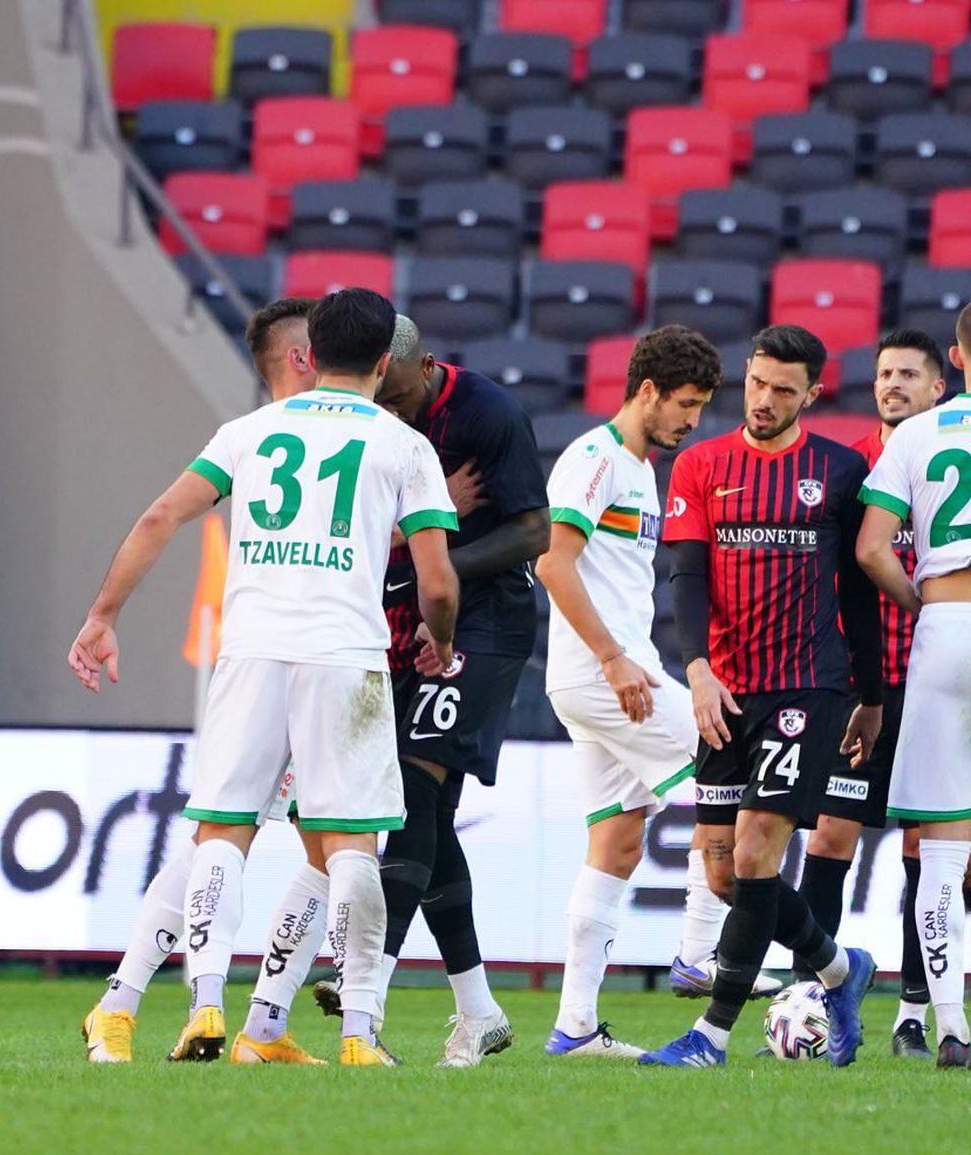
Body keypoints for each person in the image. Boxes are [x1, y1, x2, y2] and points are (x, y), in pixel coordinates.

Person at [69, 288, 459, 1068]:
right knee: (350, 848)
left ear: (309, 356)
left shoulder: (248, 432)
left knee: (221, 833)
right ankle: (356, 1032)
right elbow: (439, 582)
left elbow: (158, 519)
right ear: (387, 362)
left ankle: (210, 1007)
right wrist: (438, 639)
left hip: (250, 656)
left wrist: (103, 615)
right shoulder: (403, 445)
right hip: (344, 661)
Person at [314, 315, 550, 1068]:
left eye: (401, 398)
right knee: (433, 819)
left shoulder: (488, 414)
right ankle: (478, 1011)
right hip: (403, 615)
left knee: (415, 787)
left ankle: (365, 993)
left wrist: (434, 552)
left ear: (424, 369)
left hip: (484, 622)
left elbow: (534, 533)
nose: (390, 412)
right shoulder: (370, 425)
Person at [642, 324, 880, 1068]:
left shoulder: (839, 473)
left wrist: (868, 695)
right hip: (726, 688)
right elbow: (685, 576)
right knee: (720, 869)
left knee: (753, 852)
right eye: (756, 383)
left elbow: (862, 597)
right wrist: (698, 668)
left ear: (812, 393)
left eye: (784, 389)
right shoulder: (700, 465)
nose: (765, 400)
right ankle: (842, 972)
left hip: (806, 686)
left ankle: (709, 1039)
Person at [538, 326, 728, 1059]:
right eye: (684, 404)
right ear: (645, 391)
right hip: (608, 676)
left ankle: (575, 1028)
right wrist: (616, 660)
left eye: (702, 407)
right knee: (729, 775)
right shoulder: (594, 460)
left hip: (612, 675)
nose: (692, 421)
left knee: (616, 844)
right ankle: (698, 953)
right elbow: (555, 567)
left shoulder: (642, 470)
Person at [797, 329, 945, 1059]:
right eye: (885, 373)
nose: (893, 384)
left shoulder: (951, 464)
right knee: (828, 837)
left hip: (936, 688)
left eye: (909, 375)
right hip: (862, 687)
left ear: (937, 389)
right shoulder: (851, 466)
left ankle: (912, 1015)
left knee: (930, 849)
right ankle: (815, 1009)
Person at [856, 304, 971, 1068]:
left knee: (937, 850)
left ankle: (951, 1028)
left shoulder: (918, 435)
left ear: (957, 357)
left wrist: (924, 603)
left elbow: (871, 549)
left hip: (947, 630)